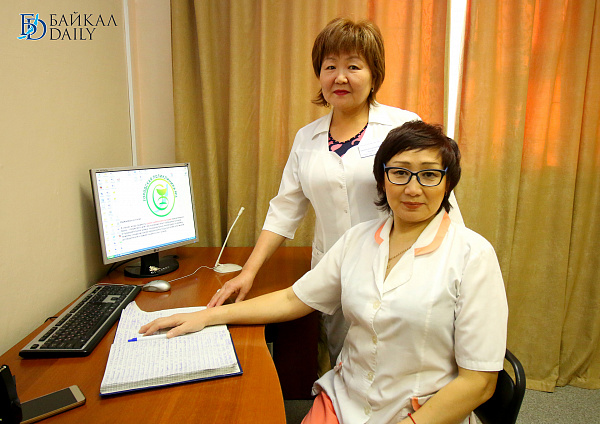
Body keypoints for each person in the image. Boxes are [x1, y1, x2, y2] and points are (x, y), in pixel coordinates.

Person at [141, 121, 508, 424]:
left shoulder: (472, 255)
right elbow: (293, 299)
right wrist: (206, 316)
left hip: (420, 414)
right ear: (382, 178)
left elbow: (479, 382)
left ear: (447, 182)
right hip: (344, 402)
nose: (413, 188)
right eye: (399, 173)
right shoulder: (359, 240)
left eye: (429, 175)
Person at [208, 17, 463, 369]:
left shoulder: (402, 126)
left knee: (402, 366)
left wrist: (456, 269)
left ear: (374, 74)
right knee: (346, 361)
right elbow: (284, 210)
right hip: (335, 271)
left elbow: (441, 203)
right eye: (330, 66)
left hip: (400, 270)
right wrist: (248, 272)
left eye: (353, 66)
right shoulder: (306, 138)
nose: (340, 77)